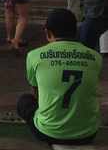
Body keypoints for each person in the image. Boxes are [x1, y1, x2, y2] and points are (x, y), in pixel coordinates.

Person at [17, 8, 101, 146]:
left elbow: (36, 92)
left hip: (48, 133)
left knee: (24, 101)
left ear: (48, 33)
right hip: (88, 133)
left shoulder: (34, 56)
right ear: (76, 31)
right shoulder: (96, 57)